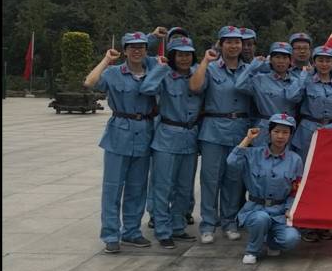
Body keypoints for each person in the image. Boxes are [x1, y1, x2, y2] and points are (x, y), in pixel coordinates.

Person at [83, 32, 157, 253]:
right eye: (132, 47)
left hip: (144, 132)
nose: (137, 50)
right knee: (112, 188)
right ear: (124, 50)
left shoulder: (153, 73)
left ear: (146, 50)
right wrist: (106, 60)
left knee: (137, 188)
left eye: (141, 47)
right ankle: (110, 234)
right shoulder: (114, 73)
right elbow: (89, 82)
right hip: (119, 134)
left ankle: (132, 232)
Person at [188, 26, 253, 245]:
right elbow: (195, 87)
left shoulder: (250, 69)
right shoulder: (211, 68)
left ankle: (229, 222)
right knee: (210, 179)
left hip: (240, 129)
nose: (234, 46)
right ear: (221, 44)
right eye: (229, 42)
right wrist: (205, 62)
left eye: (238, 42)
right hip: (214, 129)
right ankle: (208, 224)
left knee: (234, 179)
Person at [140, 36, 203, 248]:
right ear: (172, 56)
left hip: (190, 136)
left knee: (184, 187)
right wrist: (161, 68)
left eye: (188, 54)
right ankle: (162, 230)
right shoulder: (165, 75)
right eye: (179, 54)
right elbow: (147, 89)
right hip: (167, 135)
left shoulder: (198, 76)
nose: (184, 58)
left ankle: (178, 226)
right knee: (163, 186)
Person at [286, 45, 332, 243]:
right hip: (307, 133)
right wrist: (304, 77)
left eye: (328, 60)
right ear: (314, 62)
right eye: (320, 60)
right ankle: (304, 223)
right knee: (304, 179)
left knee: (326, 181)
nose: (324, 64)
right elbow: (291, 97)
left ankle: (322, 223)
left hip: (330, 136)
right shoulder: (306, 81)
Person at [228, 115, 303, 264]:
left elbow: (296, 189)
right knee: (261, 218)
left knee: (292, 238)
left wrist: (289, 208)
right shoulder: (253, 153)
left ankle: (271, 243)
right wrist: (248, 139)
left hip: (279, 212)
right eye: (276, 131)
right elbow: (232, 162)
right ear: (269, 133)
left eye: (285, 132)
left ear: (290, 135)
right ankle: (252, 251)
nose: (280, 136)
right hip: (255, 209)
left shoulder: (295, 160)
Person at [234, 42, 302, 146]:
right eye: (277, 57)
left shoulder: (297, 81)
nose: (281, 61)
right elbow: (240, 85)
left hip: (287, 129)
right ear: (270, 59)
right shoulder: (260, 79)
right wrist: (253, 66)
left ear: (290, 60)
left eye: (285, 58)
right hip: (265, 128)